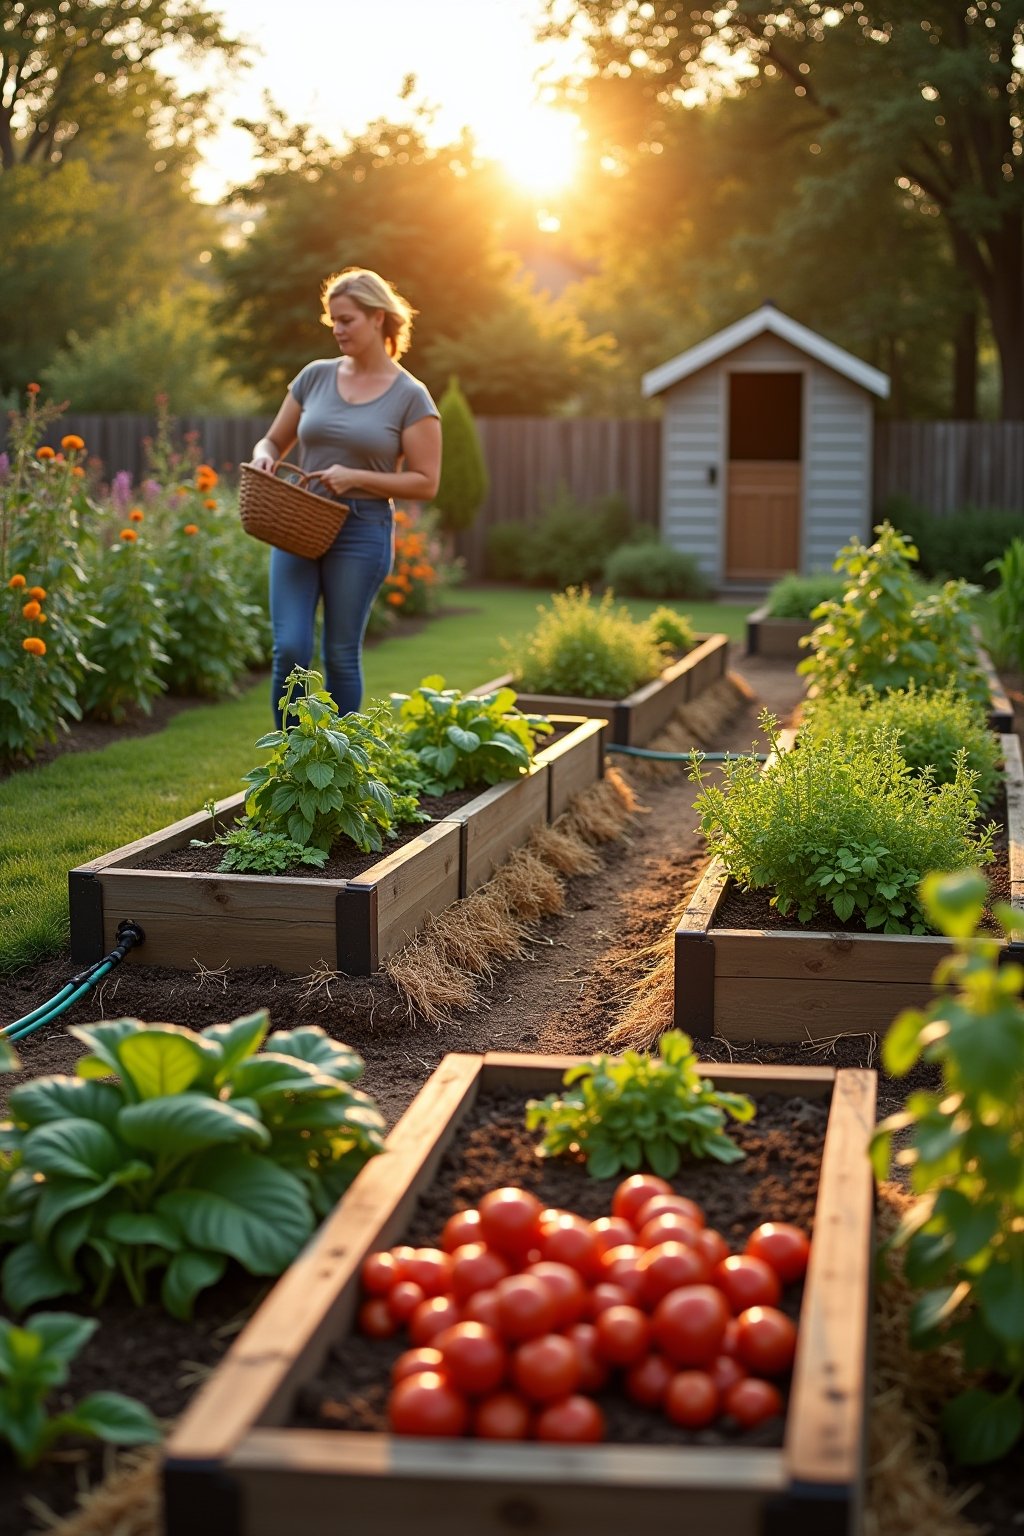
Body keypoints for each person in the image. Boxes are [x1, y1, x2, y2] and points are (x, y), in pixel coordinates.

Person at [250, 267, 442, 725]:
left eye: (347, 320)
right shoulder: (315, 377)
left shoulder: (411, 397)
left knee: (339, 653)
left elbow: (426, 482)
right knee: (291, 648)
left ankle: (339, 768)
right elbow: (273, 441)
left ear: (378, 319)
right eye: (332, 321)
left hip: (361, 529)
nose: (337, 330)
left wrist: (354, 476)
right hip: (298, 523)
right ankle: (292, 764)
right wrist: (263, 457)